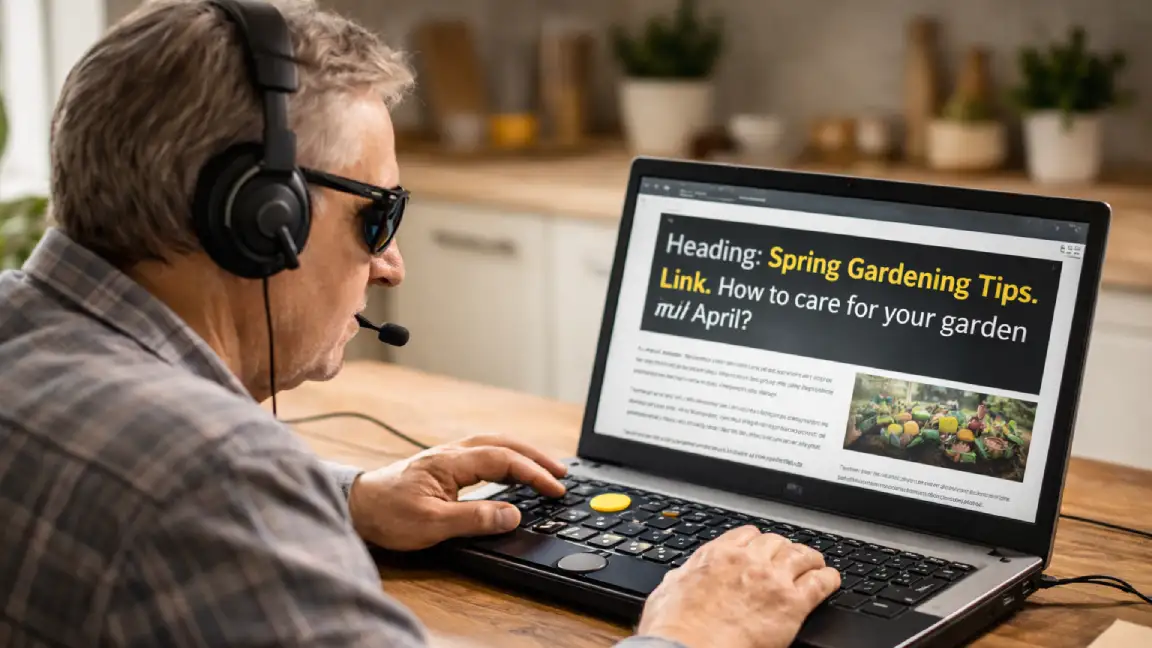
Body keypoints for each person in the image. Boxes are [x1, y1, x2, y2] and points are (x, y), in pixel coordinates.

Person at [0, 1, 840, 646]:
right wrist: (692, 632)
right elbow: (197, 497)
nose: (391, 263)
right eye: (378, 213)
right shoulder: (208, 477)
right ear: (259, 219)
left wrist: (350, 497)